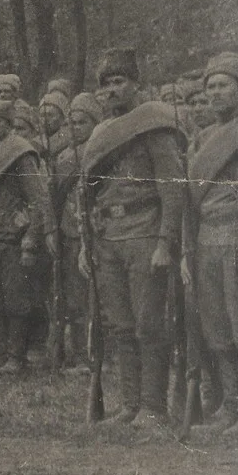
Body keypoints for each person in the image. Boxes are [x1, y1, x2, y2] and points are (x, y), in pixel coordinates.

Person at [78, 48, 186, 431]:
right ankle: (129, 405)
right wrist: (86, 243)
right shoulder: (99, 135)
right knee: (121, 325)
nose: (112, 90)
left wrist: (165, 242)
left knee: (148, 323)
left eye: (119, 81)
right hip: (107, 237)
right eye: (106, 84)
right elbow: (88, 195)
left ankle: (153, 408)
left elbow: (171, 187)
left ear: (136, 84)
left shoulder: (153, 125)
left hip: (144, 232)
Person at [183, 52, 238, 436]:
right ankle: (229, 407)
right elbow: (189, 203)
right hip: (206, 239)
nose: (215, 92)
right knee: (215, 327)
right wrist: (186, 250)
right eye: (210, 86)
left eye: (223, 84)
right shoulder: (201, 139)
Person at [0, 100, 57, 374]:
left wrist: (31, 238)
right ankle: (0, 353)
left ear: (8, 125)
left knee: (16, 299)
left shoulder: (20, 154)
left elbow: (38, 200)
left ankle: (16, 356)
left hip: (12, 238)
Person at [52, 92, 102, 371]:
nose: (75, 129)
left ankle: (99, 351)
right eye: (71, 123)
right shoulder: (63, 156)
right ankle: (81, 352)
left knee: (97, 296)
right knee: (75, 296)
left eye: (82, 123)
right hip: (70, 232)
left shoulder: (103, 149)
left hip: (98, 230)